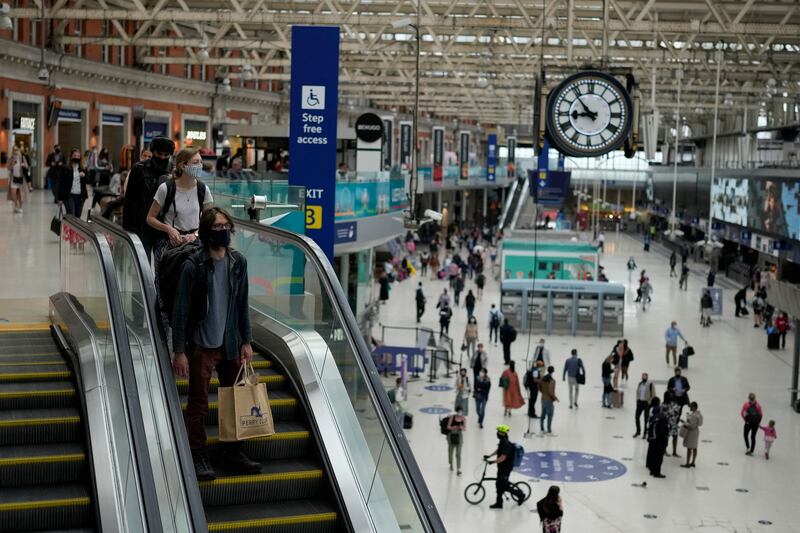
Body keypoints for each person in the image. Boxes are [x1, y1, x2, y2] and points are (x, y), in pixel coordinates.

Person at [171, 207, 260, 480]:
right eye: (218, 227)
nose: (224, 232)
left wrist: (247, 340)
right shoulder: (194, 266)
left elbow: (242, 304)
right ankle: (198, 454)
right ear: (208, 232)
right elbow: (181, 310)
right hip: (201, 345)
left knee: (234, 399)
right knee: (198, 402)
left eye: (227, 226)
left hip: (231, 342)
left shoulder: (238, 263)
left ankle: (232, 451)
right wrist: (179, 351)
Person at [147, 148, 214, 341]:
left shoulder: (203, 190)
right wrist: (169, 229)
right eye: (195, 163)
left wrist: (196, 234)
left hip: (194, 243)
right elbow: (150, 218)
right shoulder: (166, 188)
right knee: (166, 286)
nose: (199, 166)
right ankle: (165, 331)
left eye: (200, 162)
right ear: (183, 165)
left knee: (194, 286)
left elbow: (209, 219)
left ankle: (191, 330)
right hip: (169, 245)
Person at [123, 136, 176, 260]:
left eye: (166, 154)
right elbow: (129, 198)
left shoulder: (174, 171)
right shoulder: (139, 168)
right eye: (159, 153)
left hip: (164, 227)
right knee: (143, 264)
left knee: (163, 266)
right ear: (153, 152)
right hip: (141, 225)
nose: (162, 157)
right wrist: (127, 227)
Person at [484, 424, 525, 509]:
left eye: (498, 432)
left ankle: (520, 495)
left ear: (503, 433)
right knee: (498, 484)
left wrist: (493, 462)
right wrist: (489, 456)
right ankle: (499, 503)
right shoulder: (503, 441)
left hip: (506, 468)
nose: (497, 433)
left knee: (504, 485)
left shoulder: (506, 443)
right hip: (501, 467)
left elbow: (503, 457)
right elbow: (498, 450)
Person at [57, 149, 89, 218]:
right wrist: (60, 199)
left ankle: (73, 229)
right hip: (69, 195)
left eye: (78, 156)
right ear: (71, 157)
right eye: (75, 155)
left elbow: (89, 181)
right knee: (71, 215)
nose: (76, 157)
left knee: (78, 217)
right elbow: (61, 184)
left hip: (80, 196)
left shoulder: (83, 168)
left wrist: (84, 176)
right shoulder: (65, 168)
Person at [645, 398, 668, 478]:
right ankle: (657, 473)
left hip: (653, 440)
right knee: (659, 458)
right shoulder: (664, 419)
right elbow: (663, 432)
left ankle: (652, 470)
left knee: (654, 456)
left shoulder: (656, 416)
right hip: (660, 441)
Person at [633, 373, 656, 439]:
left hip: (646, 403)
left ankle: (645, 433)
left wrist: (649, 402)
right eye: (643, 376)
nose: (643, 377)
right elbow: (637, 392)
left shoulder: (650, 385)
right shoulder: (640, 384)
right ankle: (638, 431)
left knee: (646, 419)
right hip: (640, 402)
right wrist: (637, 400)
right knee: (637, 417)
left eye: (645, 376)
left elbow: (653, 395)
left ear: (647, 377)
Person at [7, 148, 30, 214]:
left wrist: (23, 165)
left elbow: (27, 166)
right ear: (12, 151)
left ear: (19, 151)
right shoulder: (11, 158)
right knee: (13, 193)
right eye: (14, 150)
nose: (15, 152)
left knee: (20, 194)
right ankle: (16, 205)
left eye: (17, 150)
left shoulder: (22, 158)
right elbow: (8, 168)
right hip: (13, 178)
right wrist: (13, 164)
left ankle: (20, 207)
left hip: (21, 178)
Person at [680, 401, 703, 468]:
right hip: (696, 432)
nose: (690, 407)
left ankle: (687, 463)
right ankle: (693, 462)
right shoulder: (699, 414)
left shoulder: (694, 416)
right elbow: (700, 424)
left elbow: (691, 426)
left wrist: (684, 422)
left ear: (694, 407)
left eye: (691, 406)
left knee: (689, 448)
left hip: (691, 432)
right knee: (695, 447)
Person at [446, 405, 466, 475]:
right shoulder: (452, 417)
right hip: (451, 435)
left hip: (459, 436)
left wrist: (461, 427)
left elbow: (464, 429)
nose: (461, 413)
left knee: (458, 453)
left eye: (462, 412)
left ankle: (458, 468)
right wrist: (453, 427)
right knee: (450, 451)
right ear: (457, 412)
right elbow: (448, 427)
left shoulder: (463, 418)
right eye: (459, 412)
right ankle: (451, 463)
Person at [538, 366, 558, 433]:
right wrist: (555, 398)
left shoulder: (542, 378)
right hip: (549, 400)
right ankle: (549, 429)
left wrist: (543, 392)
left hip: (543, 399)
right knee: (550, 415)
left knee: (543, 414)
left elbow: (539, 386)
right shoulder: (552, 380)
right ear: (553, 371)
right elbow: (550, 391)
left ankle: (541, 428)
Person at [662, 391, 681, 457]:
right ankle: (664, 450)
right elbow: (664, 413)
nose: (672, 395)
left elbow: (677, 411)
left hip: (674, 422)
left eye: (672, 394)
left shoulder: (675, 402)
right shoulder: (664, 404)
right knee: (667, 437)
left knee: (675, 437)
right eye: (670, 394)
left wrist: (675, 412)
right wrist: (672, 412)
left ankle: (674, 452)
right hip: (667, 423)